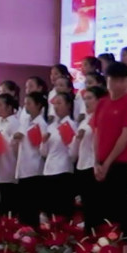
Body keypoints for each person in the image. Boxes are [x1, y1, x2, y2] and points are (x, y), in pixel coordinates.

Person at [92, 62, 127, 233]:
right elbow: (97, 133)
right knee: (104, 209)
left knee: (122, 208)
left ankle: (124, 246)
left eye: (121, 80)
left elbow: (125, 136)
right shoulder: (102, 103)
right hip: (101, 163)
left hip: (122, 163)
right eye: (113, 79)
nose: (117, 84)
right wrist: (97, 162)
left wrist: (107, 163)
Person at [71, 86, 105, 234]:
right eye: (85, 99)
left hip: (94, 165)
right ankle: (88, 235)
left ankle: (96, 235)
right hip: (82, 165)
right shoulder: (85, 121)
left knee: (95, 204)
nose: (86, 102)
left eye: (90, 98)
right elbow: (75, 149)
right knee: (86, 204)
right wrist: (77, 138)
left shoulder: (100, 118)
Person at [13, 91, 49, 227]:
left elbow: (42, 148)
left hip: (34, 168)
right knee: (23, 205)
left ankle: (32, 232)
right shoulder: (25, 121)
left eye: (29, 103)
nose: (26, 106)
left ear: (38, 105)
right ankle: (23, 231)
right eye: (25, 103)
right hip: (23, 167)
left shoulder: (41, 124)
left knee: (31, 205)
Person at [41, 92, 77, 220]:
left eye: (60, 103)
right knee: (50, 210)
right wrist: (44, 142)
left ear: (68, 105)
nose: (56, 106)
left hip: (63, 170)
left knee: (62, 210)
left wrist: (69, 140)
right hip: (49, 170)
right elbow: (44, 153)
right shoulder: (51, 127)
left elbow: (73, 153)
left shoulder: (71, 125)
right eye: (55, 103)